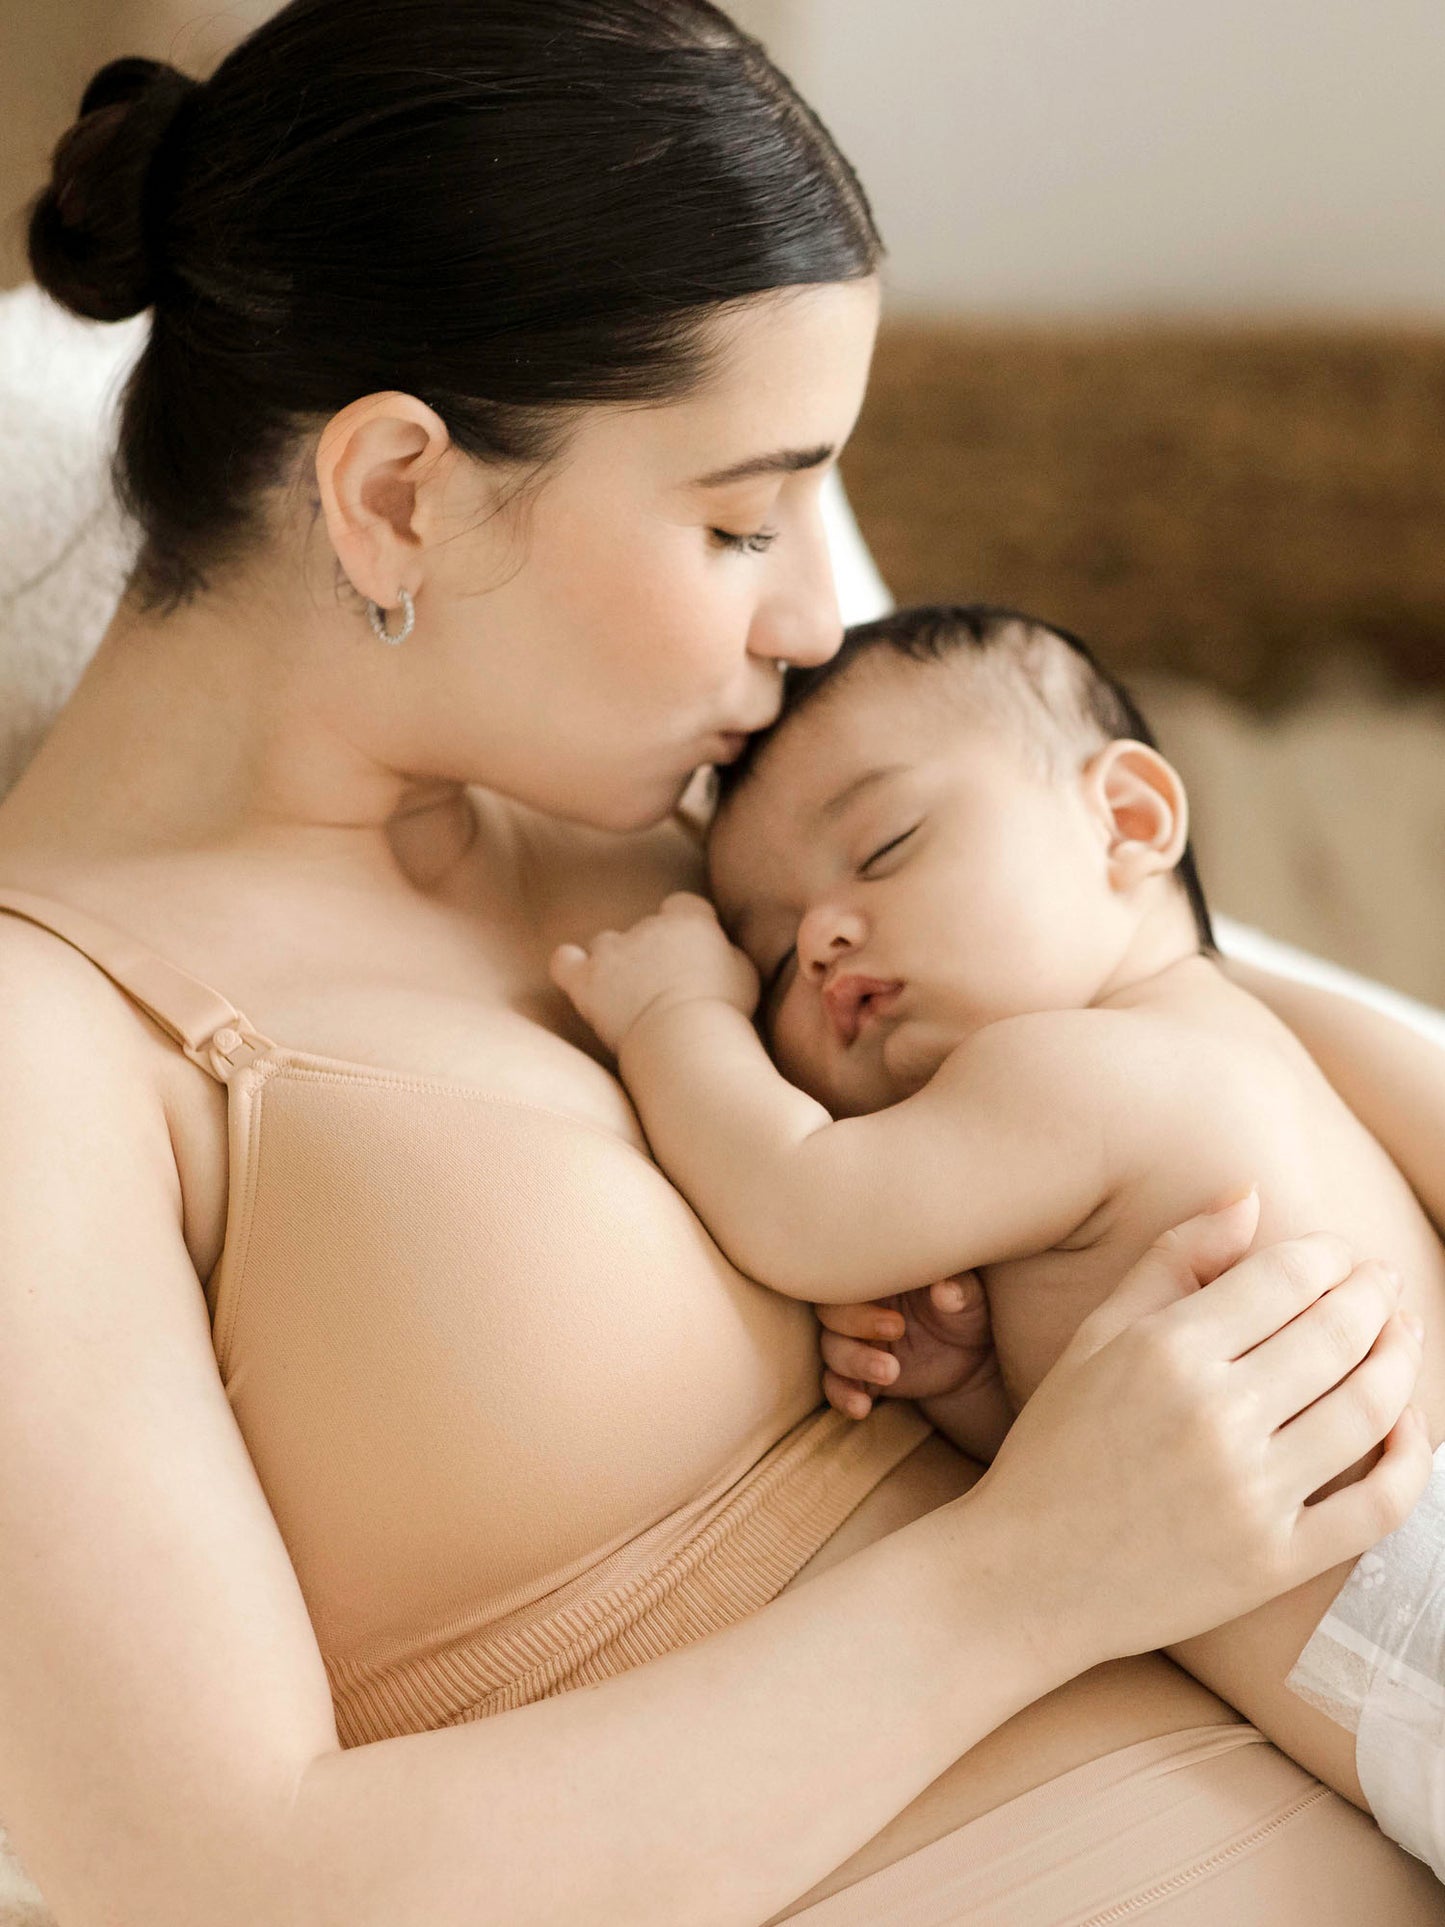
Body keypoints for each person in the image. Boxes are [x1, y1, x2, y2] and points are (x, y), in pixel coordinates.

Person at [0, 5, 1439, 1922]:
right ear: (398, 492)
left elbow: (1200, 1008)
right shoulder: (55, 1052)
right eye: (742, 515)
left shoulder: (725, 837)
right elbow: (220, 1881)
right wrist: (1041, 1565)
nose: (816, 613)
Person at [550, 598, 1445, 1850]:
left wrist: (677, 1020)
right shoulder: (1264, 1040)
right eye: (762, 962)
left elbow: (796, 1202)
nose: (818, 935)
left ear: (1124, 822)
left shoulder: (1067, 1068)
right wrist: (981, 1385)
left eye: (885, 845)